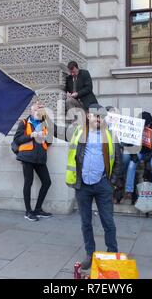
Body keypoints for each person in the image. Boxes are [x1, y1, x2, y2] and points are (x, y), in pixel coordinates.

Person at [49, 103, 122, 270]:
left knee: (108, 222)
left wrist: (111, 184)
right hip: (83, 185)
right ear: (88, 116)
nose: (98, 118)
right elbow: (58, 131)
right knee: (86, 222)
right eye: (95, 115)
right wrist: (45, 118)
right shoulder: (78, 131)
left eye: (101, 116)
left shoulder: (110, 135)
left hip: (103, 184)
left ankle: (112, 254)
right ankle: (90, 254)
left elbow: (118, 161)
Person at [14, 102, 53, 221]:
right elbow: (17, 139)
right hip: (27, 157)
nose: (38, 112)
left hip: (40, 157)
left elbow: (49, 141)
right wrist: (32, 135)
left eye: (40, 111)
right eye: (36, 110)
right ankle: (28, 211)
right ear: (31, 112)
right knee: (28, 183)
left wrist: (45, 138)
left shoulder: (45, 124)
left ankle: (38, 209)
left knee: (47, 182)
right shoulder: (24, 123)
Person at [124, 112, 152, 203]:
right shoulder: (136, 129)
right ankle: (129, 190)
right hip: (140, 151)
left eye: (147, 125)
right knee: (131, 164)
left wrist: (150, 155)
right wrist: (134, 155)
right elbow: (130, 143)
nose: (145, 127)